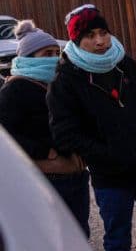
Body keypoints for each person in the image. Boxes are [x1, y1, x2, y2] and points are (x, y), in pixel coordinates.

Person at [47, 4, 136, 251]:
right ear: (77, 40)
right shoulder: (66, 80)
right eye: (90, 36)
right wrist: (105, 154)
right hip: (109, 176)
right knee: (118, 239)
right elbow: (64, 133)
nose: (100, 41)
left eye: (103, 32)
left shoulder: (123, 63)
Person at [0, 20, 90, 236]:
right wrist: (44, 153)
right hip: (48, 177)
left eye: (55, 52)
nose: (53, 58)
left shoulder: (60, 85)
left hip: (74, 175)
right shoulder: (15, 89)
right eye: (46, 54)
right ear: (28, 58)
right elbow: (5, 137)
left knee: (79, 236)